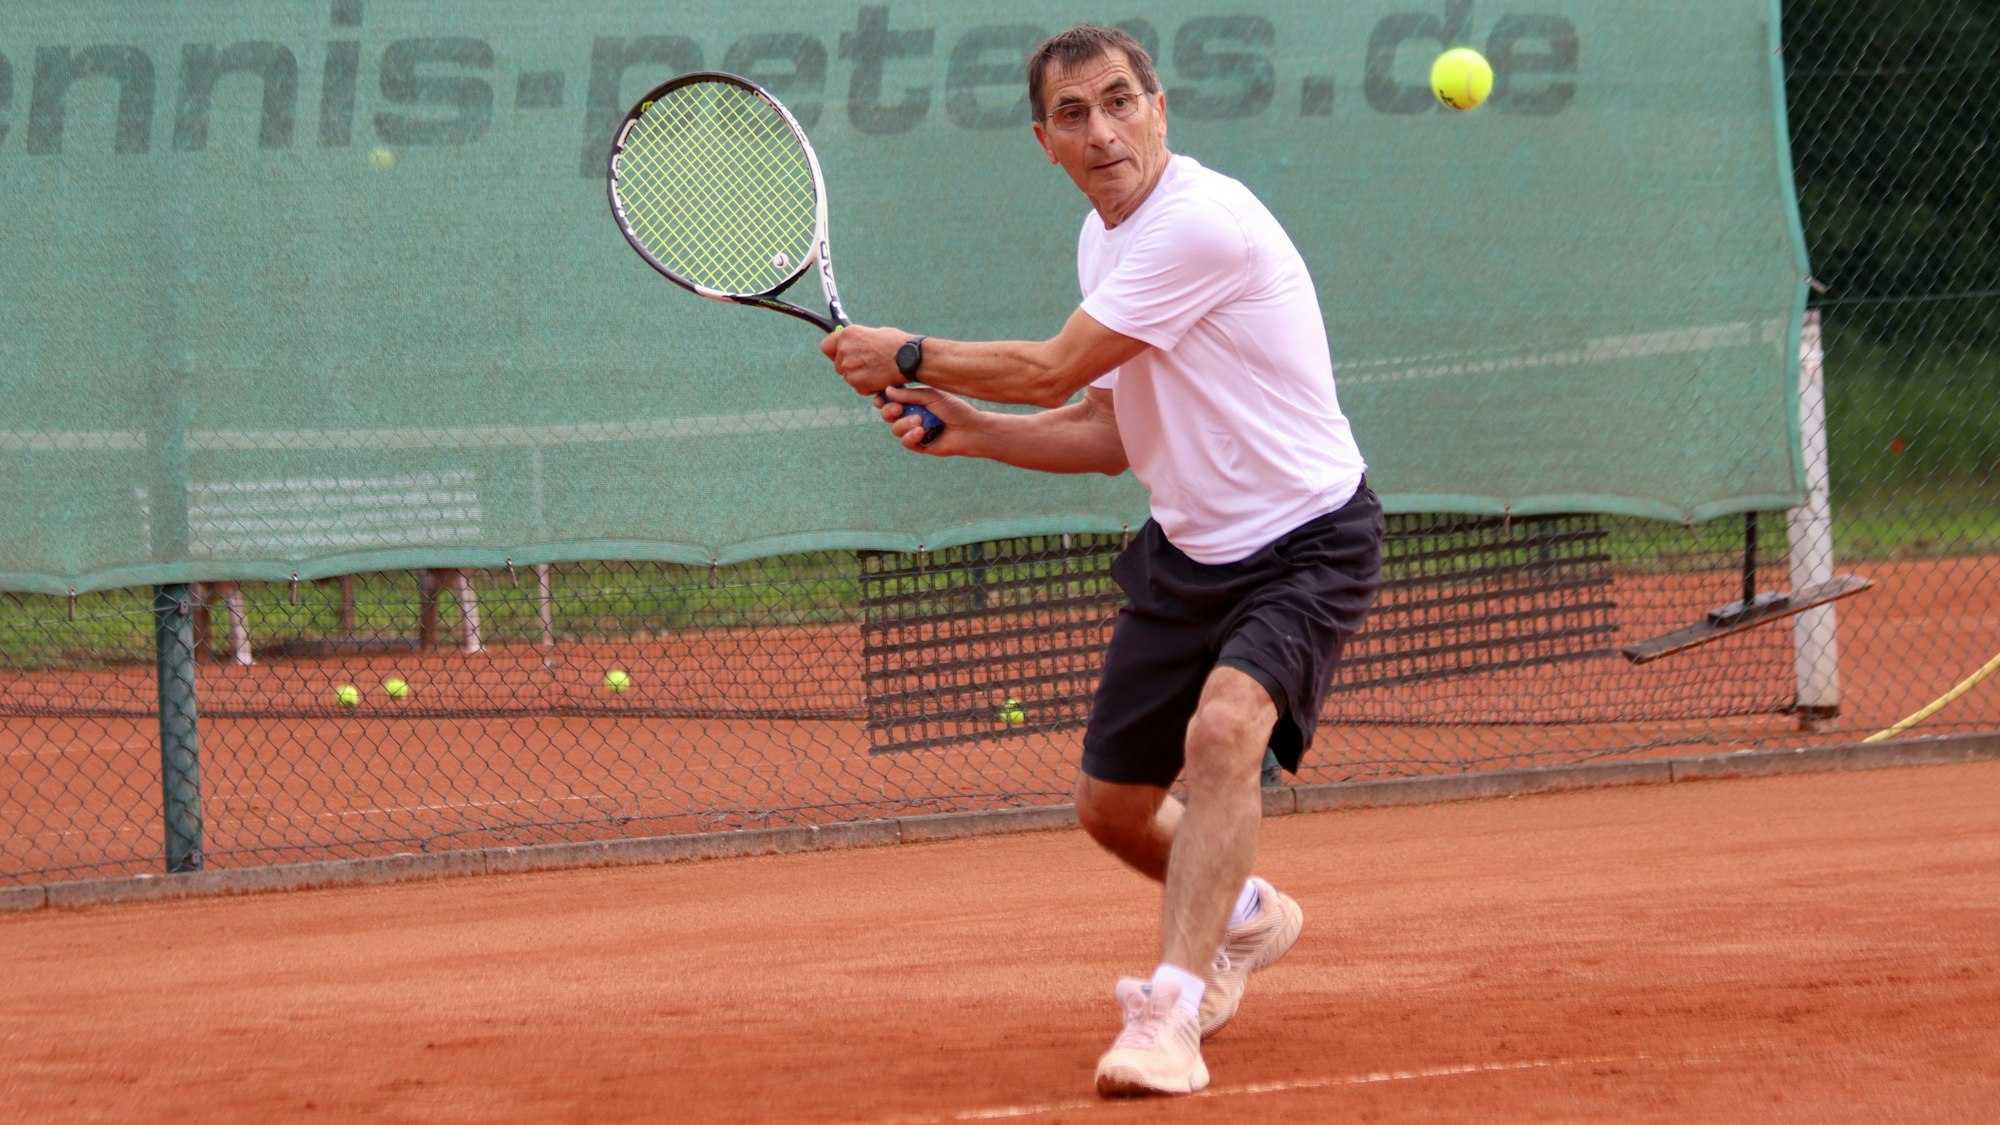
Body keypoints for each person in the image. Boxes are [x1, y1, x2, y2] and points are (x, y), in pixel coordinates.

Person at [820, 24, 1383, 1098]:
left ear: (1160, 107)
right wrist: (968, 427)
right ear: (1045, 142)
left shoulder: (1199, 223)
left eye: (1120, 101)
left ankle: (1171, 1010)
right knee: (1109, 808)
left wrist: (906, 353)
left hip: (1306, 540)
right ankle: (1245, 915)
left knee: (1224, 730)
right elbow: (1108, 432)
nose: (1103, 129)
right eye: (1073, 115)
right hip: (1187, 549)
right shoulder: (1103, 243)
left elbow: (1049, 368)